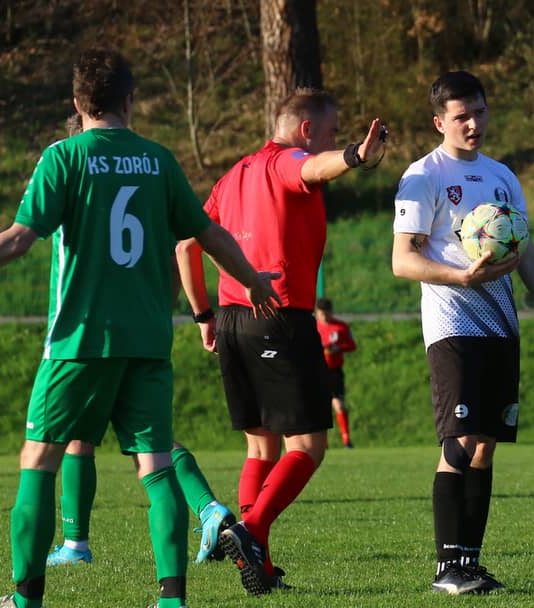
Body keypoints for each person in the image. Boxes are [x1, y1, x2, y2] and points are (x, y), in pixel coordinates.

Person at [0, 49, 279, 608]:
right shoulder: (159, 160)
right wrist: (252, 281)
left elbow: (19, 239)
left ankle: (26, 599)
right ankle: (171, 601)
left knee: (38, 459)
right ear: (129, 100)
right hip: (147, 342)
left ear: (77, 103)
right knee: (156, 466)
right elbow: (207, 234)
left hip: (80, 340)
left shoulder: (64, 157)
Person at [176, 87, 387, 595]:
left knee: (260, 447)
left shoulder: (232, 176)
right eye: (331, 132)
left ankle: (261, 568)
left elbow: (185, 245)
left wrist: (203, 316)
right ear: (306, 130)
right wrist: (356, 156)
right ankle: (250, 530)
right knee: (308, 446)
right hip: (279, 316)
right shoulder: (286, 162)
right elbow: (312, 168)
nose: (333, 141)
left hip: (231, 321)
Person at [392, 70, 534, 595]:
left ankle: (470, 564)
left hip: (502, 326)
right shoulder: (423, 176)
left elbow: (527, 258)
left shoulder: (502, 176)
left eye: (479, 112)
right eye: (462, 116)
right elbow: (402, 260)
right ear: (440, 122)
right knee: (459, 442)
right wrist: (459, 277)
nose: (473, 124)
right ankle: (446, 568)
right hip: (452, 323)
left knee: (485, 446)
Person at [44, 114, 238, 571]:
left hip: (91, 333)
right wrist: (159, 312)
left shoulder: (76, 181)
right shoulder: (149, 176)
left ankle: (75, 543)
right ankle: (208, 510)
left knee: (77, 437)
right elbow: (179, 252)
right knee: (152, 442)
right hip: (145, 332)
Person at [314, 297, 357, 448]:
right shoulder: (312, 327)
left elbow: (352, 345)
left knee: (339, 405)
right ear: (317, 313)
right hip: (316, 372)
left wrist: (339, 348)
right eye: (321, 314)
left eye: (327, 313)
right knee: (319, 407)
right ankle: (322, 442)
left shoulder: (341, 327)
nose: (324, 317)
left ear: (331, 312)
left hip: (334, 372)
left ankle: (346, 439)